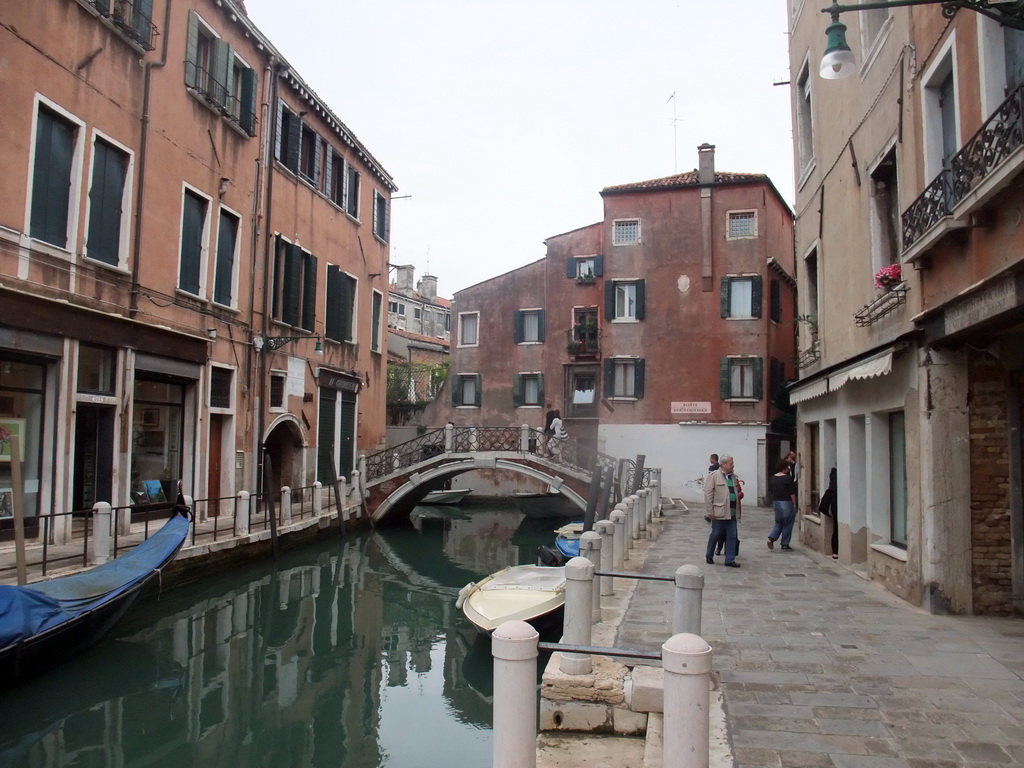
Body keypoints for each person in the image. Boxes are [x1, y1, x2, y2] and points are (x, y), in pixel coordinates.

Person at [704, 455, 741, 567]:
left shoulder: (733, 477)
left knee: (732, 536)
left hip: (732, 512)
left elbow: (736, 491)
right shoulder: (714, 476)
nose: (733, 465)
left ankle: (730, 559)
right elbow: (708, 494)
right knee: (716, 534)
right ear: (723, 464)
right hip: (719, 512)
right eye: (731, 463)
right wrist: (710, 511)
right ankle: (709, 554)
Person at [766, 458, 797, 551]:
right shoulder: (787, 478)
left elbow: (770, 491)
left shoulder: (772, 478)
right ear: (784, 467)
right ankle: (785, 543)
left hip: (776, 502)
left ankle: (771, 538)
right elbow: (792, 493)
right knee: (788, 523)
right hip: (786, 502)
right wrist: (794, 504)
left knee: (779, 522)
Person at [818, 467, 838, 559]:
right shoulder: (835, 485)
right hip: (837, 505)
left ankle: (835, 552)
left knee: (836, 528)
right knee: (836, 529)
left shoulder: (832, 485)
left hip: (835, 506)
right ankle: (835, 551)